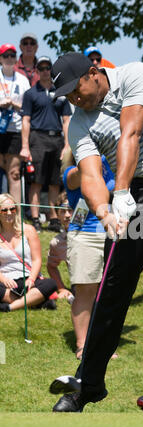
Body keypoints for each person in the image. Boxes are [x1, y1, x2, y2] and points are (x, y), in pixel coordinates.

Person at [49, 52, 143, 413]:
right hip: (137, 196)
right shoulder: (78, 123)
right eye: (66, 96)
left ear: (94, 72)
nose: (74, 98)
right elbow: (88, 175)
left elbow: (130, 132)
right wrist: (105, 211)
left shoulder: (133, 74)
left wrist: (119, 193)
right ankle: (87, 386)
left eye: (76, 90)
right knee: (113, 290)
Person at [62, 152, 116, 361]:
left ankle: (103, 344)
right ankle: (83, 345)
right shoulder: (72, 173)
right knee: (85, 290)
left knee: (108, 293)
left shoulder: (112, 170)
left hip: (111, 234)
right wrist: (92, 157)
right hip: (84, 234)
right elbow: (79, 175)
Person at [20, 56, 72, 233]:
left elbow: (66, 120)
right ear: (37, 71)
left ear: (51, 69)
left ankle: (53, 218)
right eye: (41, 68)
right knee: (36, 181)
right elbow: (25, 121)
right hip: (37, 138)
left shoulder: (61, 93)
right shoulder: (30, 94)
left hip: (57, 139)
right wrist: (25, 146)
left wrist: (67, 144)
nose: (45, 71)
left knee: (54, 182)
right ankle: (35, 218)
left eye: (47, 67)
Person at [0, 193, 57, 312]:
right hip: (6, 281)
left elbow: (37, 260)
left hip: (28, 278)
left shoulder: (28, 230)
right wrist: (4, 279)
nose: (9, 213)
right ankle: (36, 302)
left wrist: (31, 279)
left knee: (51, 284)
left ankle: (9, 306)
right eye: (4, 210)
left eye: (12, 209)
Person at [0, 43, 30, 202]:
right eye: (6, 55)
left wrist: (14, 105)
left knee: (14, 172)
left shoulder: (23, 80)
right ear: (0, 58)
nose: (9, 59)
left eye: (12, 55)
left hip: (15, 130)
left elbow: (28, 107)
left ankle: (16, 213)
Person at [46, 190, 73, 300]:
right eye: (62, 211)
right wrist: (61, 288)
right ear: (57, 215)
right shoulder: (57, 243)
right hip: (80, 288)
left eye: (70, 210)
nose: (67, 215)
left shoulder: (93, 232)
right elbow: (51, 266)